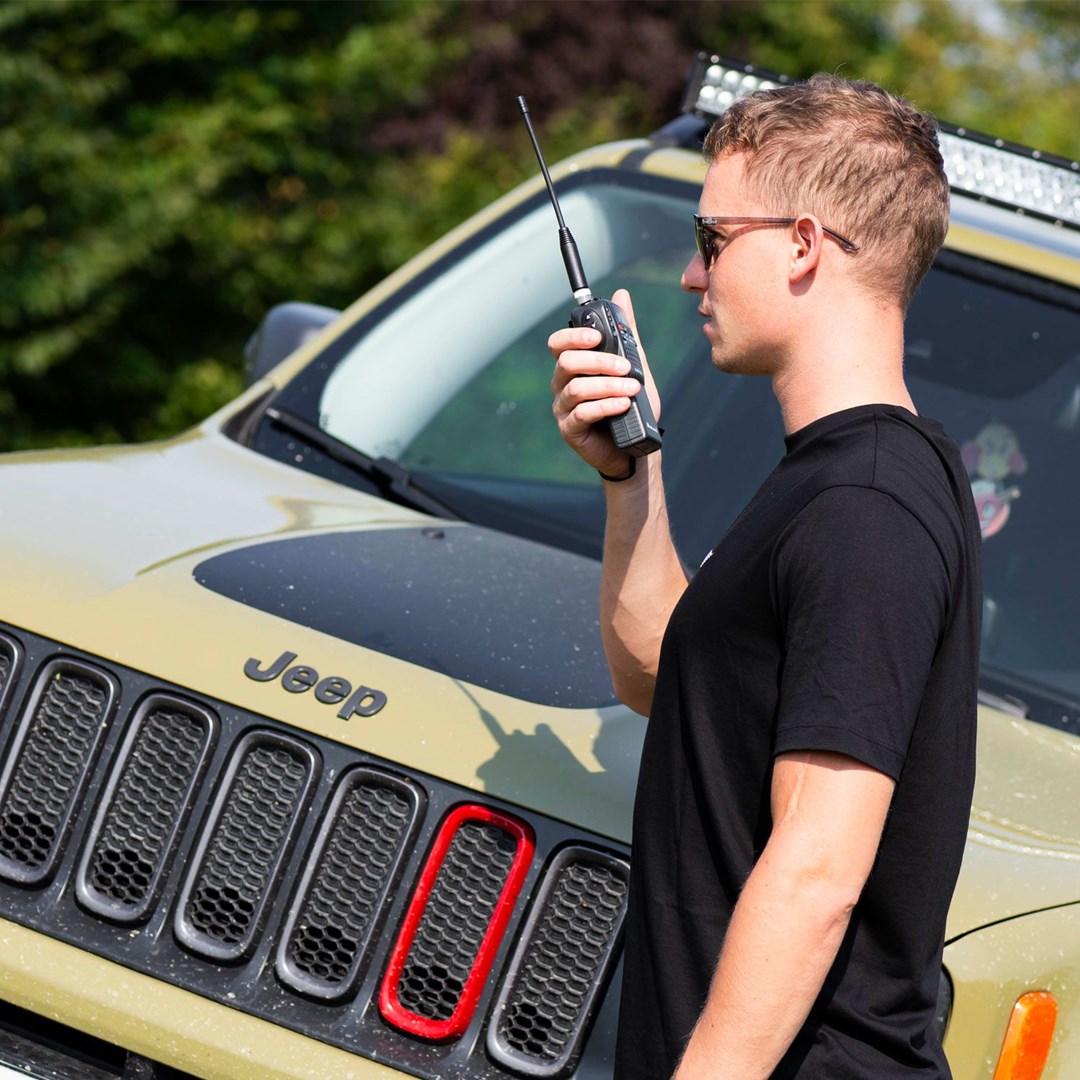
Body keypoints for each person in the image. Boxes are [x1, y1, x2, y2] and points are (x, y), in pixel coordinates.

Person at [548, 73, 981, 1078]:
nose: (691, 276)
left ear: (802, 245)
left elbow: (818, 869)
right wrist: (630, 474)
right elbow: (658, 678)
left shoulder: (866, 506)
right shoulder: (834, 479)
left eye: (712, 240)